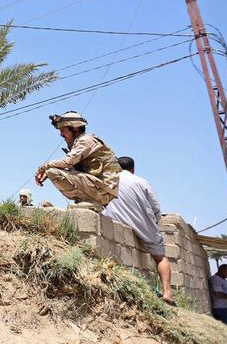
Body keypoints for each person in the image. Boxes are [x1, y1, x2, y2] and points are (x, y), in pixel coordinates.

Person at [103, 156, 174, 305]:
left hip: (115, 221)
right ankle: (167, 293)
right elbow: (156, 209)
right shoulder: (141, 181)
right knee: (160, 256)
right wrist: (153, 222)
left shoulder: (108, 180)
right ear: (132, 169)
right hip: (142, 224)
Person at [35, 111, 121, 210]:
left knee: (53, 172)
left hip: (103, 189)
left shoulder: (86, 140)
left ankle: (89, 200)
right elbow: (70, 166)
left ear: (75, 128)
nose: (61, 135)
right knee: (52, 171)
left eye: (63, 130)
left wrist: (43, 167)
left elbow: (67, 162)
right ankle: (86, 201)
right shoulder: (80, 143)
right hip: (102, 188)